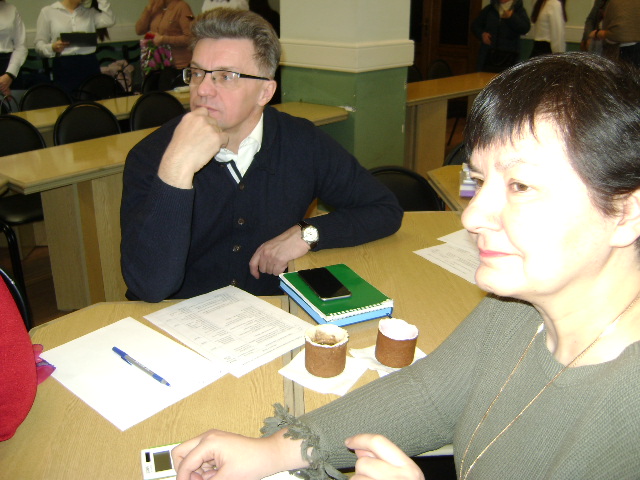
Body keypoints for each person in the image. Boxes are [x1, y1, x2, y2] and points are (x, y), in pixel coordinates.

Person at [170, 52, 640, 479]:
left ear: (626, 212)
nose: (472, 216)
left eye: (520, 186)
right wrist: (274, 451)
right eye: (478, 181)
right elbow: (430, 396)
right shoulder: (517, 309)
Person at [120, 9, 403, 302]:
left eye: (225, 76)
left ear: (265, 92)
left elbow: (384, 209)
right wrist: (176, 171)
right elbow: (149, 287)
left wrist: (307, 234)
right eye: (197, 73)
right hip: (174, 316)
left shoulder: (301, 141)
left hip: (269, 314)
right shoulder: (151, 156)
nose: (202, 89)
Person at [34, 0, 115, 96]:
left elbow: (110, 20)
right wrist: (52, 47)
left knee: (92, 98)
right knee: (67, 99)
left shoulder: (89, 12)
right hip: (64, 65)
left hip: (89, 63)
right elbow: (39, 44)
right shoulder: (48, 12)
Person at [471, 0, 530, 73]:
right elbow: (475, 25)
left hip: (509, 56)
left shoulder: (518, 10)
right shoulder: (490, 9)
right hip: (488, 54)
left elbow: (525, 28)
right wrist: (482, 34)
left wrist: (512, 17)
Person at [135, 0, 194, 71]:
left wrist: (163, 39)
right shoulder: (156, 8)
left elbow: (190, 38)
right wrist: (148, 9)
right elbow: (139, 30)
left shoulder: (182, 7)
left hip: (179, 65)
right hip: (158, 64)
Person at [585, 0, 640, 68]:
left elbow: (617, 34)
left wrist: (597, 33)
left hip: (624, 52)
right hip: (612, 49)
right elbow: (591, 19)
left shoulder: (616, 3)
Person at [0, 0, 27, 98]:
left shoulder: (12, 10)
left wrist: (9, 75)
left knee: (13, 105)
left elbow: (21, 46)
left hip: (10, 68)